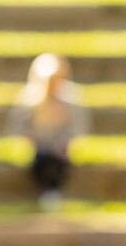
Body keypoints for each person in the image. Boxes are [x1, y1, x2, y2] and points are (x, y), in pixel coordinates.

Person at [8, 53, 87, 210]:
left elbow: (77, 129)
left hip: (60, 149)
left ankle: (52, 192)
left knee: (58, 162)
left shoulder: (70, 100)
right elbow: (18, 128)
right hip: (39, 148)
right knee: (42, 160)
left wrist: (64, 142)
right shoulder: (29, 100)